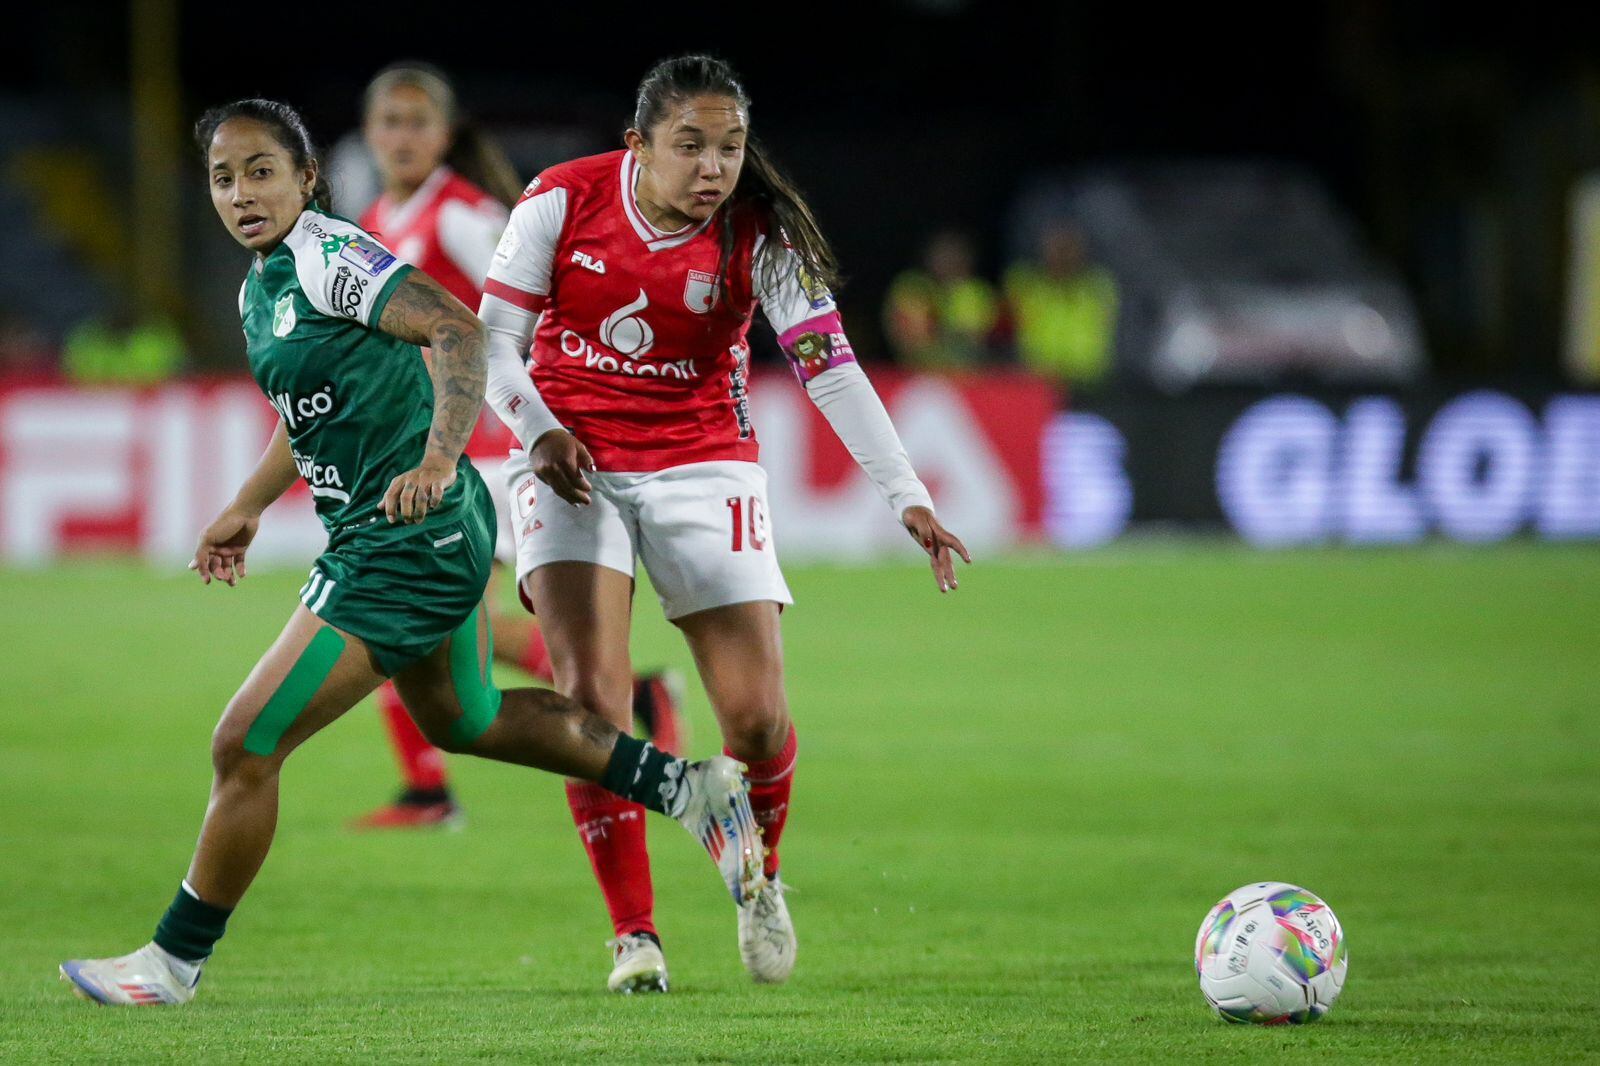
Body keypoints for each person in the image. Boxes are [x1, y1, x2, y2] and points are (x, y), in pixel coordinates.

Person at [58, 99, 763, 1007]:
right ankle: (688, 788)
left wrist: (437, 456)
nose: (242, 193)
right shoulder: (262, 284)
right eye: (224, 178)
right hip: (407, 532)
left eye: (263, 170)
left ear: (308, 179)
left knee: (246, 741)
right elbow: (308, 411)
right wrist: (245, 505)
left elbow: (457, 330)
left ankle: (171, 963)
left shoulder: (329, 253)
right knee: (463, 721)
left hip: (404, 542)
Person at [481, 55, 970, 994]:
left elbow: (828, 366)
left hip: (704, 461)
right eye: (691, 146)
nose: (714, 167)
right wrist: (537, 428)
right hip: (569, 458)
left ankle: (759, 878)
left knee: (754, 716)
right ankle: (635, 936)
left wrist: (905, 491)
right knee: (593, 706)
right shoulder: (561, 200)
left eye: (731, 147)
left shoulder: (762, 234)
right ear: (638, 145)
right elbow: (495, 341)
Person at [353, 63, 685, 830]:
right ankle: (435, 787)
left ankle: (442, 785)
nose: (402, 137)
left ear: (445, 133)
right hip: (431, 452)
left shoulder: (464, 217)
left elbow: (536, 305)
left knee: (403, 614)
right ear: (369, 134)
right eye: (389, 123)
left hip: (482, 453)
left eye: (417, 122)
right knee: (418, 621)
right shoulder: (380, 217)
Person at [1004, 220, 1119, 386]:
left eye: (1069, 248)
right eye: (1056, 248)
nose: (1062, 254)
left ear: (1082, 251)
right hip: (1037, 381)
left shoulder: (1099, 285)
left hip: (1088, 382)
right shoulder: (1024, 283)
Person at [883, 229, 1000, 369]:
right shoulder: (912, 286)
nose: (948, 260)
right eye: (943, 254)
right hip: (917, 373)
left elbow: (975, 342)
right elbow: (907, 338)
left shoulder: (977, 292)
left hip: (968, 378)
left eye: (955, 254)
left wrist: (937, 329)